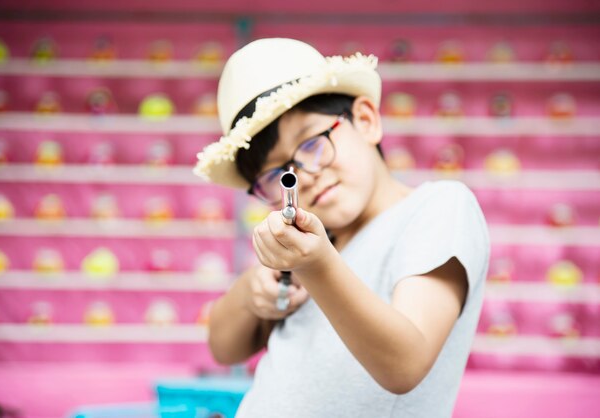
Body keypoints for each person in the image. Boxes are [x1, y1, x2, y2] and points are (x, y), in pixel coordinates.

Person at [194, 38, 490, 418]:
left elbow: (404, 363)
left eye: (313, 144)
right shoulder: (311, 244)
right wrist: (254, 291)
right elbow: (223, 347)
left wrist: (317, 266)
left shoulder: (438, 207)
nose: (302, 177)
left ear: (366, 120)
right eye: (276, 174)